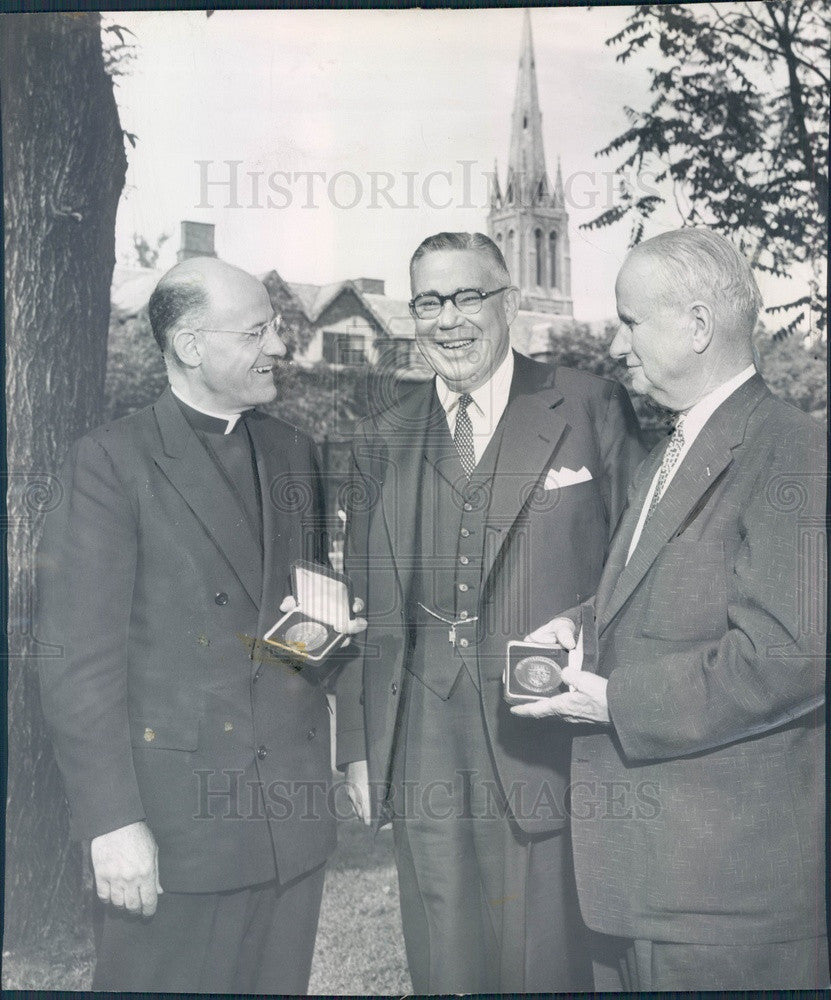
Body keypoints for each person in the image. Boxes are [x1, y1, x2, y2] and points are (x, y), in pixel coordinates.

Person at [37, 257, 364, 993]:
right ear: (189, 345)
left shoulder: (293, 455)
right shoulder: (108, 464)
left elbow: (277, 642)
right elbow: (75, 665)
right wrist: (112, 823)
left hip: (289, 829)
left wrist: (329, 632)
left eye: (274, 328)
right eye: (256, 331)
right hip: (174, 834)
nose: (278, 346)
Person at [514, 228, 828, 990]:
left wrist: (615, 700)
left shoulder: (792, 451)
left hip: (720, 900)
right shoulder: (669, 452)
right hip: (639, 889)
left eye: (630, 321)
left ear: (695, 325)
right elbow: (664, 591)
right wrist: (580, 624)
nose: (617, 346)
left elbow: (788, 657)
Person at [336, 231, 646, 992]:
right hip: (421, 742)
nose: (448, 319)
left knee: (545, 954)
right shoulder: (382, 435)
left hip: (545, 731)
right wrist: (356, 744)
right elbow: (358, 602)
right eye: (429, 302)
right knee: (442, 958)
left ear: (506, 302)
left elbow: (642, 562)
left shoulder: (586, 403)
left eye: (467, 296)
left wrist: (581, 620)